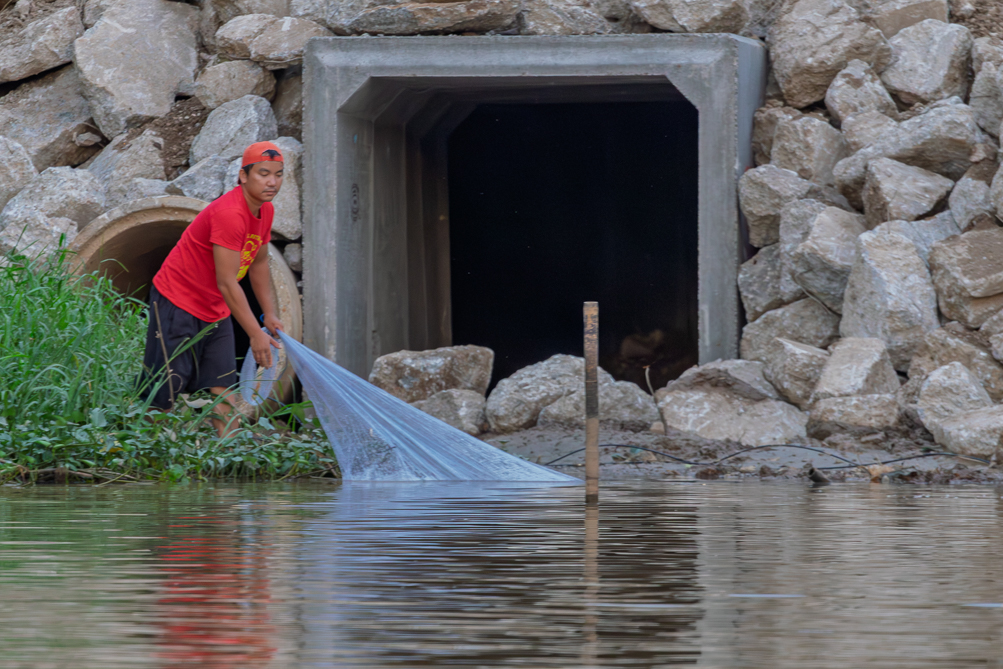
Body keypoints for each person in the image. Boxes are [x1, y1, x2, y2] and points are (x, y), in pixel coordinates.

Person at [138, 141, 286, 436]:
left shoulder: (264, 211)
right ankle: (147, 452)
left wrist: (269, 314)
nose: (272, 182)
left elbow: (258, 263)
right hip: (176, 300)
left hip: (215, 307)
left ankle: (230, 461)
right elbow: (227, 281)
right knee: (165, 388)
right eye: (263, 173)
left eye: (279, 174)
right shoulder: (230, 213)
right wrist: (255, 335)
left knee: (223, 388)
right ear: (243, 176)